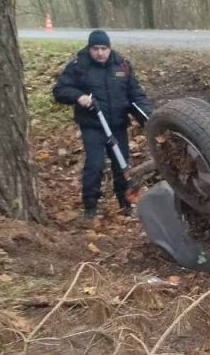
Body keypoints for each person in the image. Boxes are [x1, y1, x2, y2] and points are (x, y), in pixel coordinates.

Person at [53, 30, 151, 219]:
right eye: (95, 49)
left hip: (117, 124)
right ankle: (90, 207)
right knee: (95, 165)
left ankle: (126, 204)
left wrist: (148, 118)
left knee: (121, 165)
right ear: (89, 49)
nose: (100, 53)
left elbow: (136, 96)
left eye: (103, 49)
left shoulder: (122, 66)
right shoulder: (79, 66)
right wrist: (79, 96)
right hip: (92, 125)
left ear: (109, 48)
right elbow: (60, 90)